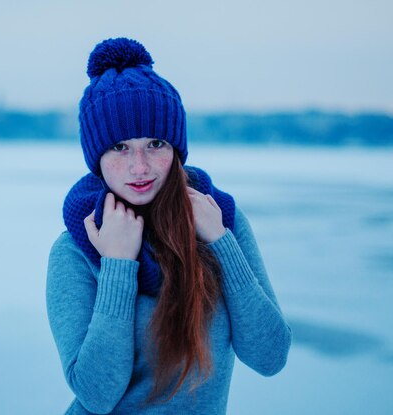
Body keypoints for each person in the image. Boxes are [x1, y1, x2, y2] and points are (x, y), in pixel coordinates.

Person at [46, 37, 291, 415]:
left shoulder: (218, 218)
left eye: (155, 143)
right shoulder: (78, 248)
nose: (140, 166)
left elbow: (270, 356)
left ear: (176, 149)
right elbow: (96, 394)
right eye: (120, 147)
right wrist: (118, 265)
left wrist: (221, 242)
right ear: (97, 157)